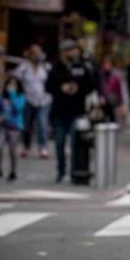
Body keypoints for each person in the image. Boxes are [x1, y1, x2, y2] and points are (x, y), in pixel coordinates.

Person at [45, 39, 96, 183]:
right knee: (60, 144)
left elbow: (91, 86)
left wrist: (78, 89)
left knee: (76, 143)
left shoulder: (82, 67)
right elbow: (48, 87)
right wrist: (61, 88)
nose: (74, 52)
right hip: (60, 111)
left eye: (75, 50)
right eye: (70, 50)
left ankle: (75, 171)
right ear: (64, 52)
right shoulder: (56, 68)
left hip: (77, 111)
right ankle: (61, 170)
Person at [14, 44, 52, 159]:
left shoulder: (46, 67)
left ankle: (43, 147)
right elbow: (14, 79)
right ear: (30, 55)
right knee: (26, 125)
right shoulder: (23, 67)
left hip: (44, 100)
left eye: (38, 53)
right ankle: (26, 147)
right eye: (34, 53)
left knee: (42, 123)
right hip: (28, 100)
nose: (37, 56)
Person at [0, 75, 26, 181]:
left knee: (12, 150)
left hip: (15, 127)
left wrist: (12, 94)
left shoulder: (20, 96)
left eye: (14, 84)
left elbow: (19, 108)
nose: (11, 86)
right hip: (2, 126)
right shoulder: (2, 97)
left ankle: (13, 171)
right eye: (9, 84)